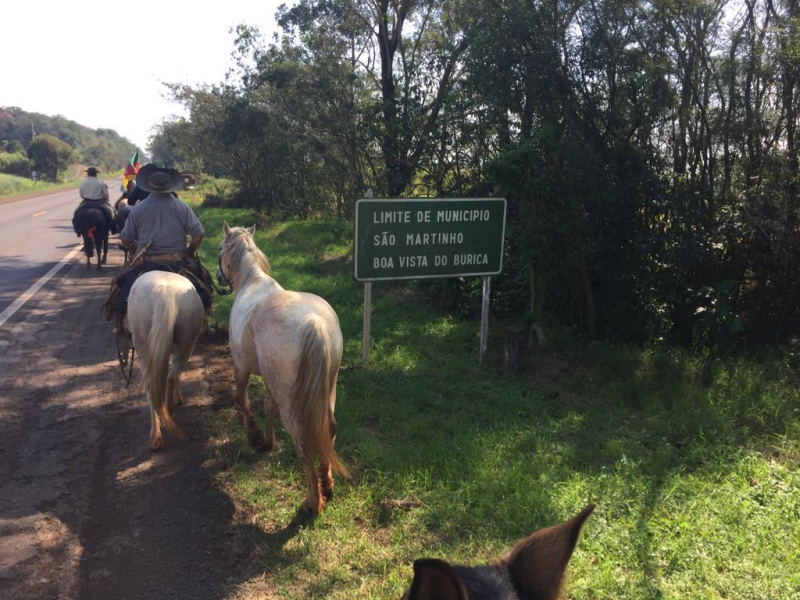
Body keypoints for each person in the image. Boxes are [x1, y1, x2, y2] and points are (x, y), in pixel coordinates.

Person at [119, 163, 203, 260]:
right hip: (177, 259)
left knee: (122, 275)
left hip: (145, 260)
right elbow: (199, 234)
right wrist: (189, 252)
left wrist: (132, 247)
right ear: (170, 184)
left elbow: (125, 238)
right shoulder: (183, 207)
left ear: (149, 184)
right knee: (203, 274)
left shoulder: (137, 209)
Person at [75, 166, 116, 233]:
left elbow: (81, 195)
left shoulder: (82, 182)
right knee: (111, 213)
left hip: (86, 201)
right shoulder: (101, 182)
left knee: (77, 213)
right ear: (96, 174)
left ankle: (77, 229)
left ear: (88, 174)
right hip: (100, 201)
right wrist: (106, 199)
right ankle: (113, 228)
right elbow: (106, 195)